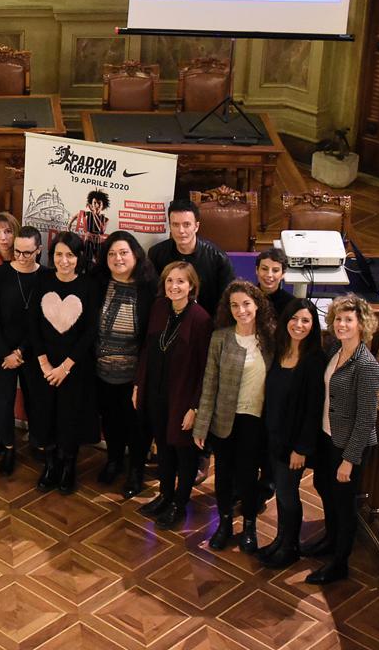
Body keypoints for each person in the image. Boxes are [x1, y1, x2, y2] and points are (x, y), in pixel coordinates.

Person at [193, 280, 276, 553]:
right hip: (224, 419)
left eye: (246, 304)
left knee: (248, 476)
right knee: (225, 476)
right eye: (235, 305)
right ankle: (225, 523)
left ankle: (249, 525)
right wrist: (201, 425)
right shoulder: (220, 337)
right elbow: (209, 384)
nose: (241, 310)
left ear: (257, 305)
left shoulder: (270, 339)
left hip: (255, 421)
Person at [306, 294, 379, 584]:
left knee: (343, 503)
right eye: (338, 318)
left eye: (348, 319)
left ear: (361, 324)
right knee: (322, 486)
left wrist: (349, 461)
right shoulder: (334, 350)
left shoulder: (367, 366)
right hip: (328, 436)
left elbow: (366, 420)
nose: (341, 324)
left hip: (349, 446)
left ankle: (340, 563)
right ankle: (329, 538)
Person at [134, 262, 213, 529]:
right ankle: (165, 495)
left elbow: (205, 369)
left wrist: (195, 407)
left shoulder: (201, 319)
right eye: (169, 281)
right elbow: (146, 349)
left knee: (184, 453)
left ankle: (180, 502)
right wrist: (138, 385)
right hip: (156, 392)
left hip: (183, 397)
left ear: (191, 286)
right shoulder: (158, 308)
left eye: (181, 281)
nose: (174, 286)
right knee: (164, 448)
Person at [84, 231, 157, 498]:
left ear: (136, 254)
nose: (118, 258)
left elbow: (152, 336)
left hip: (135, 374)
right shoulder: (97, 282)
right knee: (111, 420)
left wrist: (142, 376)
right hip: (101, 371)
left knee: (136, 425)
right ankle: (114, 460)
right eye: (112, 253)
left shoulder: (150, 287)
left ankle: (136, 470)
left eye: (124, 252)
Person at [258, 299, 327, 569]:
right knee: (282, 494)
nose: (299, 325)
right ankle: (280, 539)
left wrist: (302, 448)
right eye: (294, 319)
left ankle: (290, 547)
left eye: (306, 321)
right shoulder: (279, 350)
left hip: (294, 444)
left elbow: (313, 409)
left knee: (288, 494)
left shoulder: (314, 361)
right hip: (274, 436)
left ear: (313, 325)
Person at [29, 231, 96, 495]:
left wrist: (66, 367)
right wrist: (45, 364)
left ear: (79, 257)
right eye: (59, 254)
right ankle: (50, 464)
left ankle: (69, 466)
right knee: (46, 415)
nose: (64, 260)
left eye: (70, 255)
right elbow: (33, 323)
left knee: (70, 417)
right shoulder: (43, 279)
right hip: (45, 365)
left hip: (75, 367)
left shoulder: (89, 285)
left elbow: (90, 331)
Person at [0, 226, 44, 475]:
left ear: (38, 251)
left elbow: (43, 322)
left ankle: (37, 442)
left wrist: (20, 353)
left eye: (27, 253)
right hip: (2, 351)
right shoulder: (1, 274)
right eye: (17, 252)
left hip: (32, 352)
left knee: (36, 400)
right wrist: (6, 353)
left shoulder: (46, 277)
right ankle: (8, 446)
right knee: (3, 400)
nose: (21, 258)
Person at [148, 199, 235, 317]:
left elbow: (227, 299)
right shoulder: (156, 253)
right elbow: (152, 293)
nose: (181, 231)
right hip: (167, 319)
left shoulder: (217, 258)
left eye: (186, 224)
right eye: (175, 225)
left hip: (206, 321)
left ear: (196, 226)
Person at [70, 189, 110, 272]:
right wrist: (69, 225)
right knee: (87, 258)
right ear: (91, 204)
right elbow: (77, 215)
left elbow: (102, 230)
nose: (96, 205)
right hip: (88, 240)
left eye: (99, 203)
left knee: (98, 260)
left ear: (103, 205)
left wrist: (95, 215)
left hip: (98, 241)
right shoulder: (87, 214)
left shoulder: (105, 219)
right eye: (94, 203)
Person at [256, 247, 295, 317]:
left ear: (283, 274)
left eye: (275, 270)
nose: (269, 275)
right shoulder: (247, 298)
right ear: (257, 270)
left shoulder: (291, 304)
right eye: (264, 269)